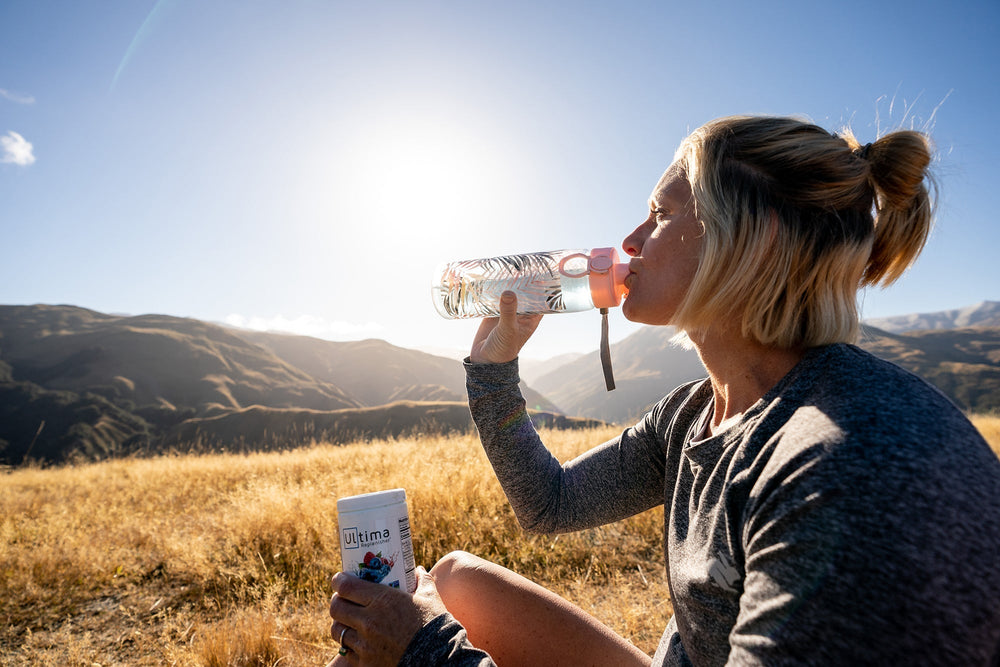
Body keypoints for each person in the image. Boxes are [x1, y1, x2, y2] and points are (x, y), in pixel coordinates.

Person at [327, 115, 1000, 666]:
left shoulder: (850, 466)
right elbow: (549, 502)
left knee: (418, 623)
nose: (629, 241)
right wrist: (494, 370)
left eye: (660, 213)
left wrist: (423, 648)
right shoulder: (697, 414)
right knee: (451, 579)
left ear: (747, 239)